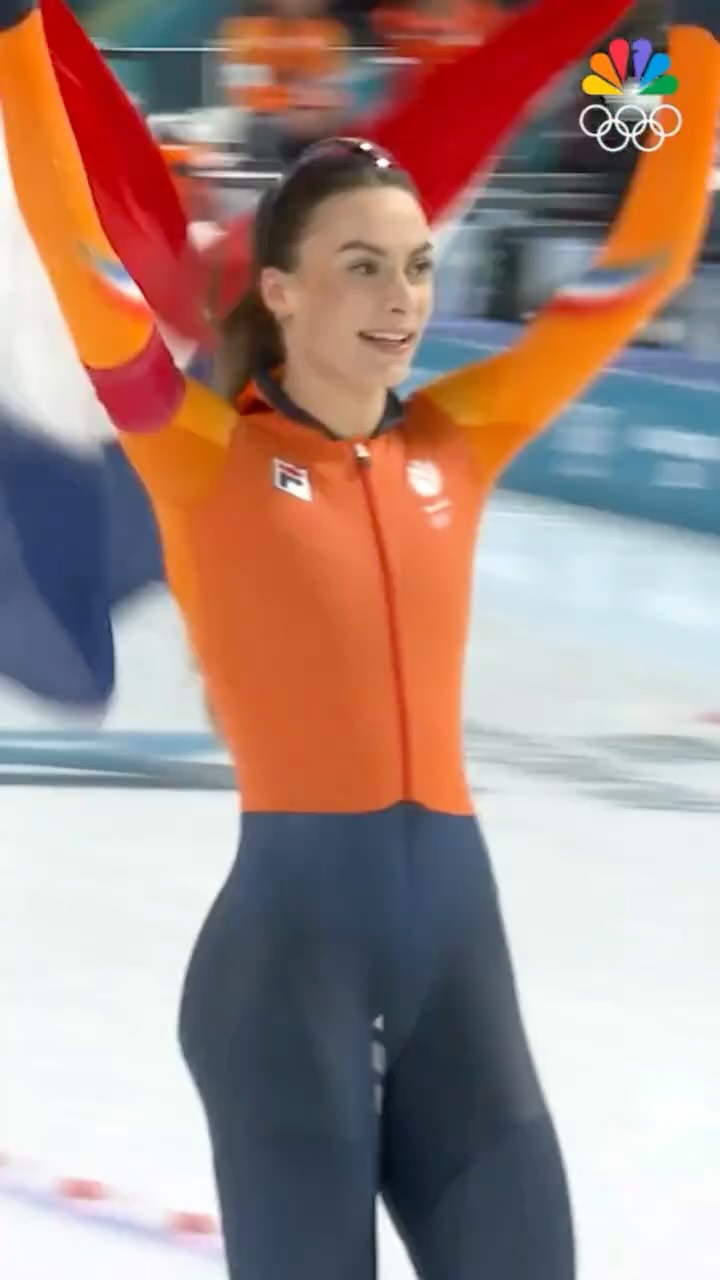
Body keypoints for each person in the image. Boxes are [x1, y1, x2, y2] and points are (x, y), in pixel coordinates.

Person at [1, 2, 718, 1278]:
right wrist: (16, 42)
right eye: (364, 266)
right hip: (285, 988)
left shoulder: (460, 438)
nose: (403, 299)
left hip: (459, 966)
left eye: (419, 264)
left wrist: (676, 51)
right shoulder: (198, 451)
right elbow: (77, 254)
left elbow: (644, 263)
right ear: (279, 289)